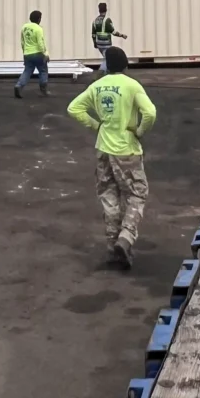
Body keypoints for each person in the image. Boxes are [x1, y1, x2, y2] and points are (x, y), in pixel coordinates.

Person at [67, 47, 156, 268]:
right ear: (125, 65)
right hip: (126, 149)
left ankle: (112, 246)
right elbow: (150, 113)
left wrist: (96, 125)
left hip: (104, 149)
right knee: (137, 193)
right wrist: (140, 130)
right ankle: (125, 238)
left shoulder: (97, 86)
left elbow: (73, 108)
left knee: (109, 195)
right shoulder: (131, 85)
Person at [15, 9, 49, 98]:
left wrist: (24, 53)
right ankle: (43, 89)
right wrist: (45, 54)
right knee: (43, 70)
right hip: (38, 53)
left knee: (27, 71)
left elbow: (22, 42)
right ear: (39, 19)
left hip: (27, 53)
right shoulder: (39, 29)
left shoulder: (24, 27)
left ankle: (19, 85)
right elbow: (40, 43)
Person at [91, 2, 126, 73]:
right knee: (106, 58)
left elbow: (93, 34)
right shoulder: (107, 20)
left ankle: (106, 72)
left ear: (99, 10)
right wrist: (122, 35)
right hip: (106, 43)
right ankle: (101, 71)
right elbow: (113, 32)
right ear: (106, 9)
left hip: (98, 43)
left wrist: (95, 43)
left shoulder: (95, 21)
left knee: (106, 57)